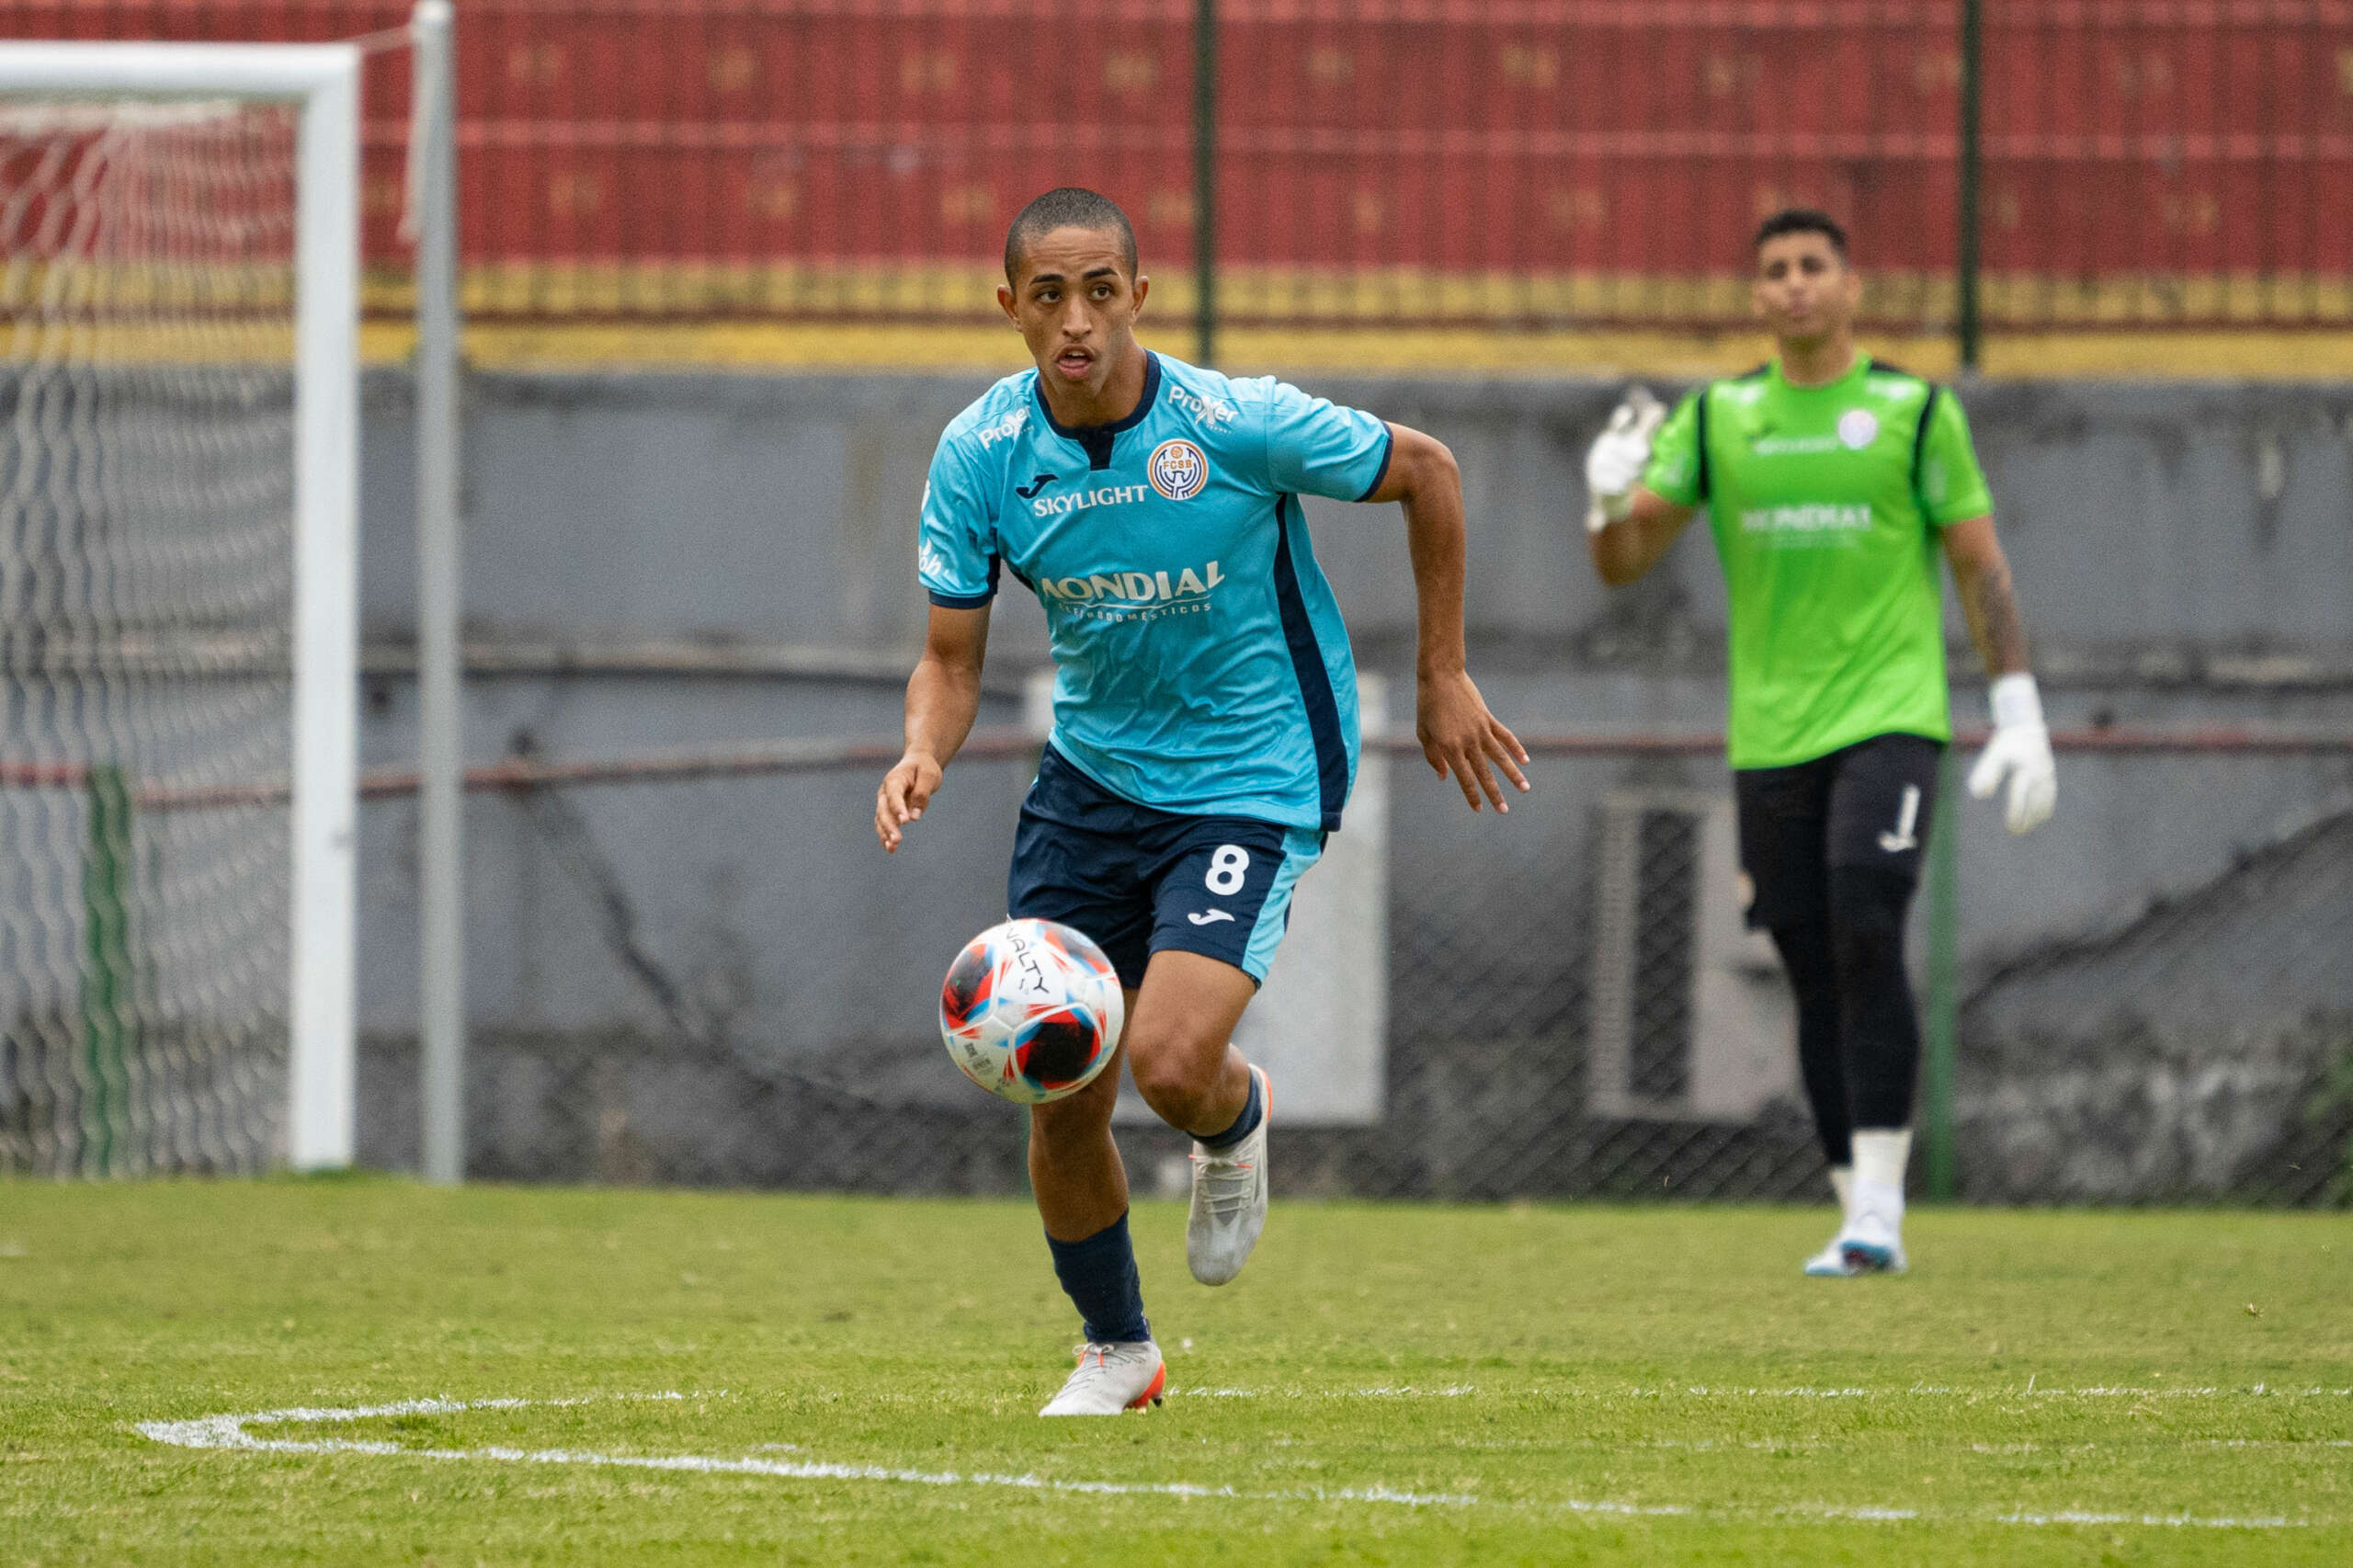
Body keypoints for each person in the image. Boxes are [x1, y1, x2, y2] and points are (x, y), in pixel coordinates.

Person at [876, 187, 1528, 1414]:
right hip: (1091, 780)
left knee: (1172, 1062)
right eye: (1051, 295)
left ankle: (1232, 1118)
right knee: (1061, 1083)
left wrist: (1442, 673)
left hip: (1251, 772)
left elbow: (1428, 473)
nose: (1078, 321)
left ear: (1139, 293)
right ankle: (1118, 1349)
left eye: (1101, 291)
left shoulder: (1234, 421)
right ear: (1008, 304)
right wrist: (923, 748)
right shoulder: (982, 454)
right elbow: (952, 661)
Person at [1582, 208, 2056, 1278]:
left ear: (1851, 286)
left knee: (1863, 912)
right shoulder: (1718, 419)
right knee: (1805, 952)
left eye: (1812, 267)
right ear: (1756, 296)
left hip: (1889, 714)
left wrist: (2018, 706)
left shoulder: (1912, 411)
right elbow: (1623, 561)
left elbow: (1981, 565)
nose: (1793, 284)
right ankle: (1855, 1211)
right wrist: (1606, 492)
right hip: (1771, 730)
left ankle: (1882, 1203)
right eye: (1774, 271)